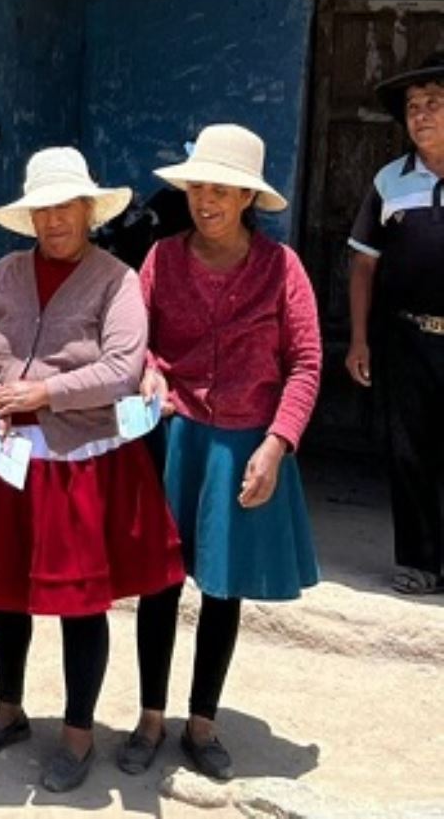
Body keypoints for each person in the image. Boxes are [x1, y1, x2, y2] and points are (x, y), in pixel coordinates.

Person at [0, 146, 184, 794]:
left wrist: (44, 395)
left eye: (65, 208)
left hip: (79, 464)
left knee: (80, 599)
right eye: (43, 210)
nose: (54, 221)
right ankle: (9, 708)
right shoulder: (2, 274)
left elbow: (120, 366)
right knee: (4, 587)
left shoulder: (116, 281)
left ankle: (78, 732)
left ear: (88, 210)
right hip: (6, 460)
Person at [120, 124, 321, 781]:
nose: (207, 199)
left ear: (246, 198)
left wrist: (278, 441)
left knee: (223, 588)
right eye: (199, 185)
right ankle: (151, 715)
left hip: (242, 444)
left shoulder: (281, 269)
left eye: (222, 188)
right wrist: (149, 372)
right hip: (175, 439)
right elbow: (133, 339)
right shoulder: (162, 259)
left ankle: (201, 722)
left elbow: (306, 363)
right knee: (160, 580)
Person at [347, 51, 444, 596]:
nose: (421, 115)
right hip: (406, 338)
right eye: (413, 106)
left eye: (434, 103)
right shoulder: (390, 181)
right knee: (409, 454)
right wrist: (358, 338)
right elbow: (363, 262)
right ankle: (419, 562)